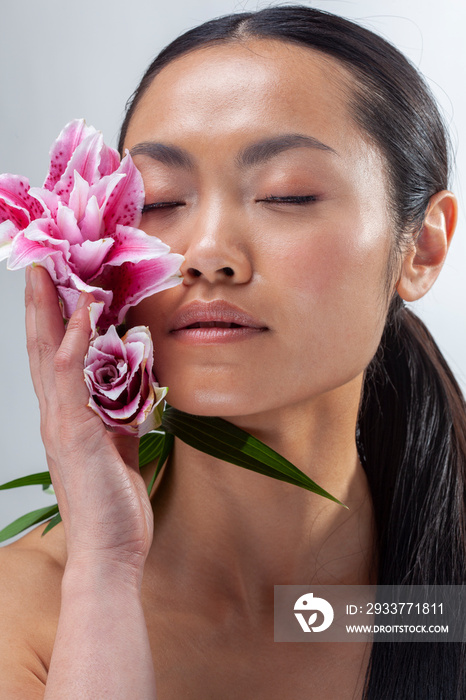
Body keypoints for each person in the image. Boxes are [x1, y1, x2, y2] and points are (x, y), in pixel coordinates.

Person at [0, 5, 464, 699]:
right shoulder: (24, 612)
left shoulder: (434, 608)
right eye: (158, 201)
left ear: (422, 247)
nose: (208, 253)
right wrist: (102, 569)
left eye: (287, 194)